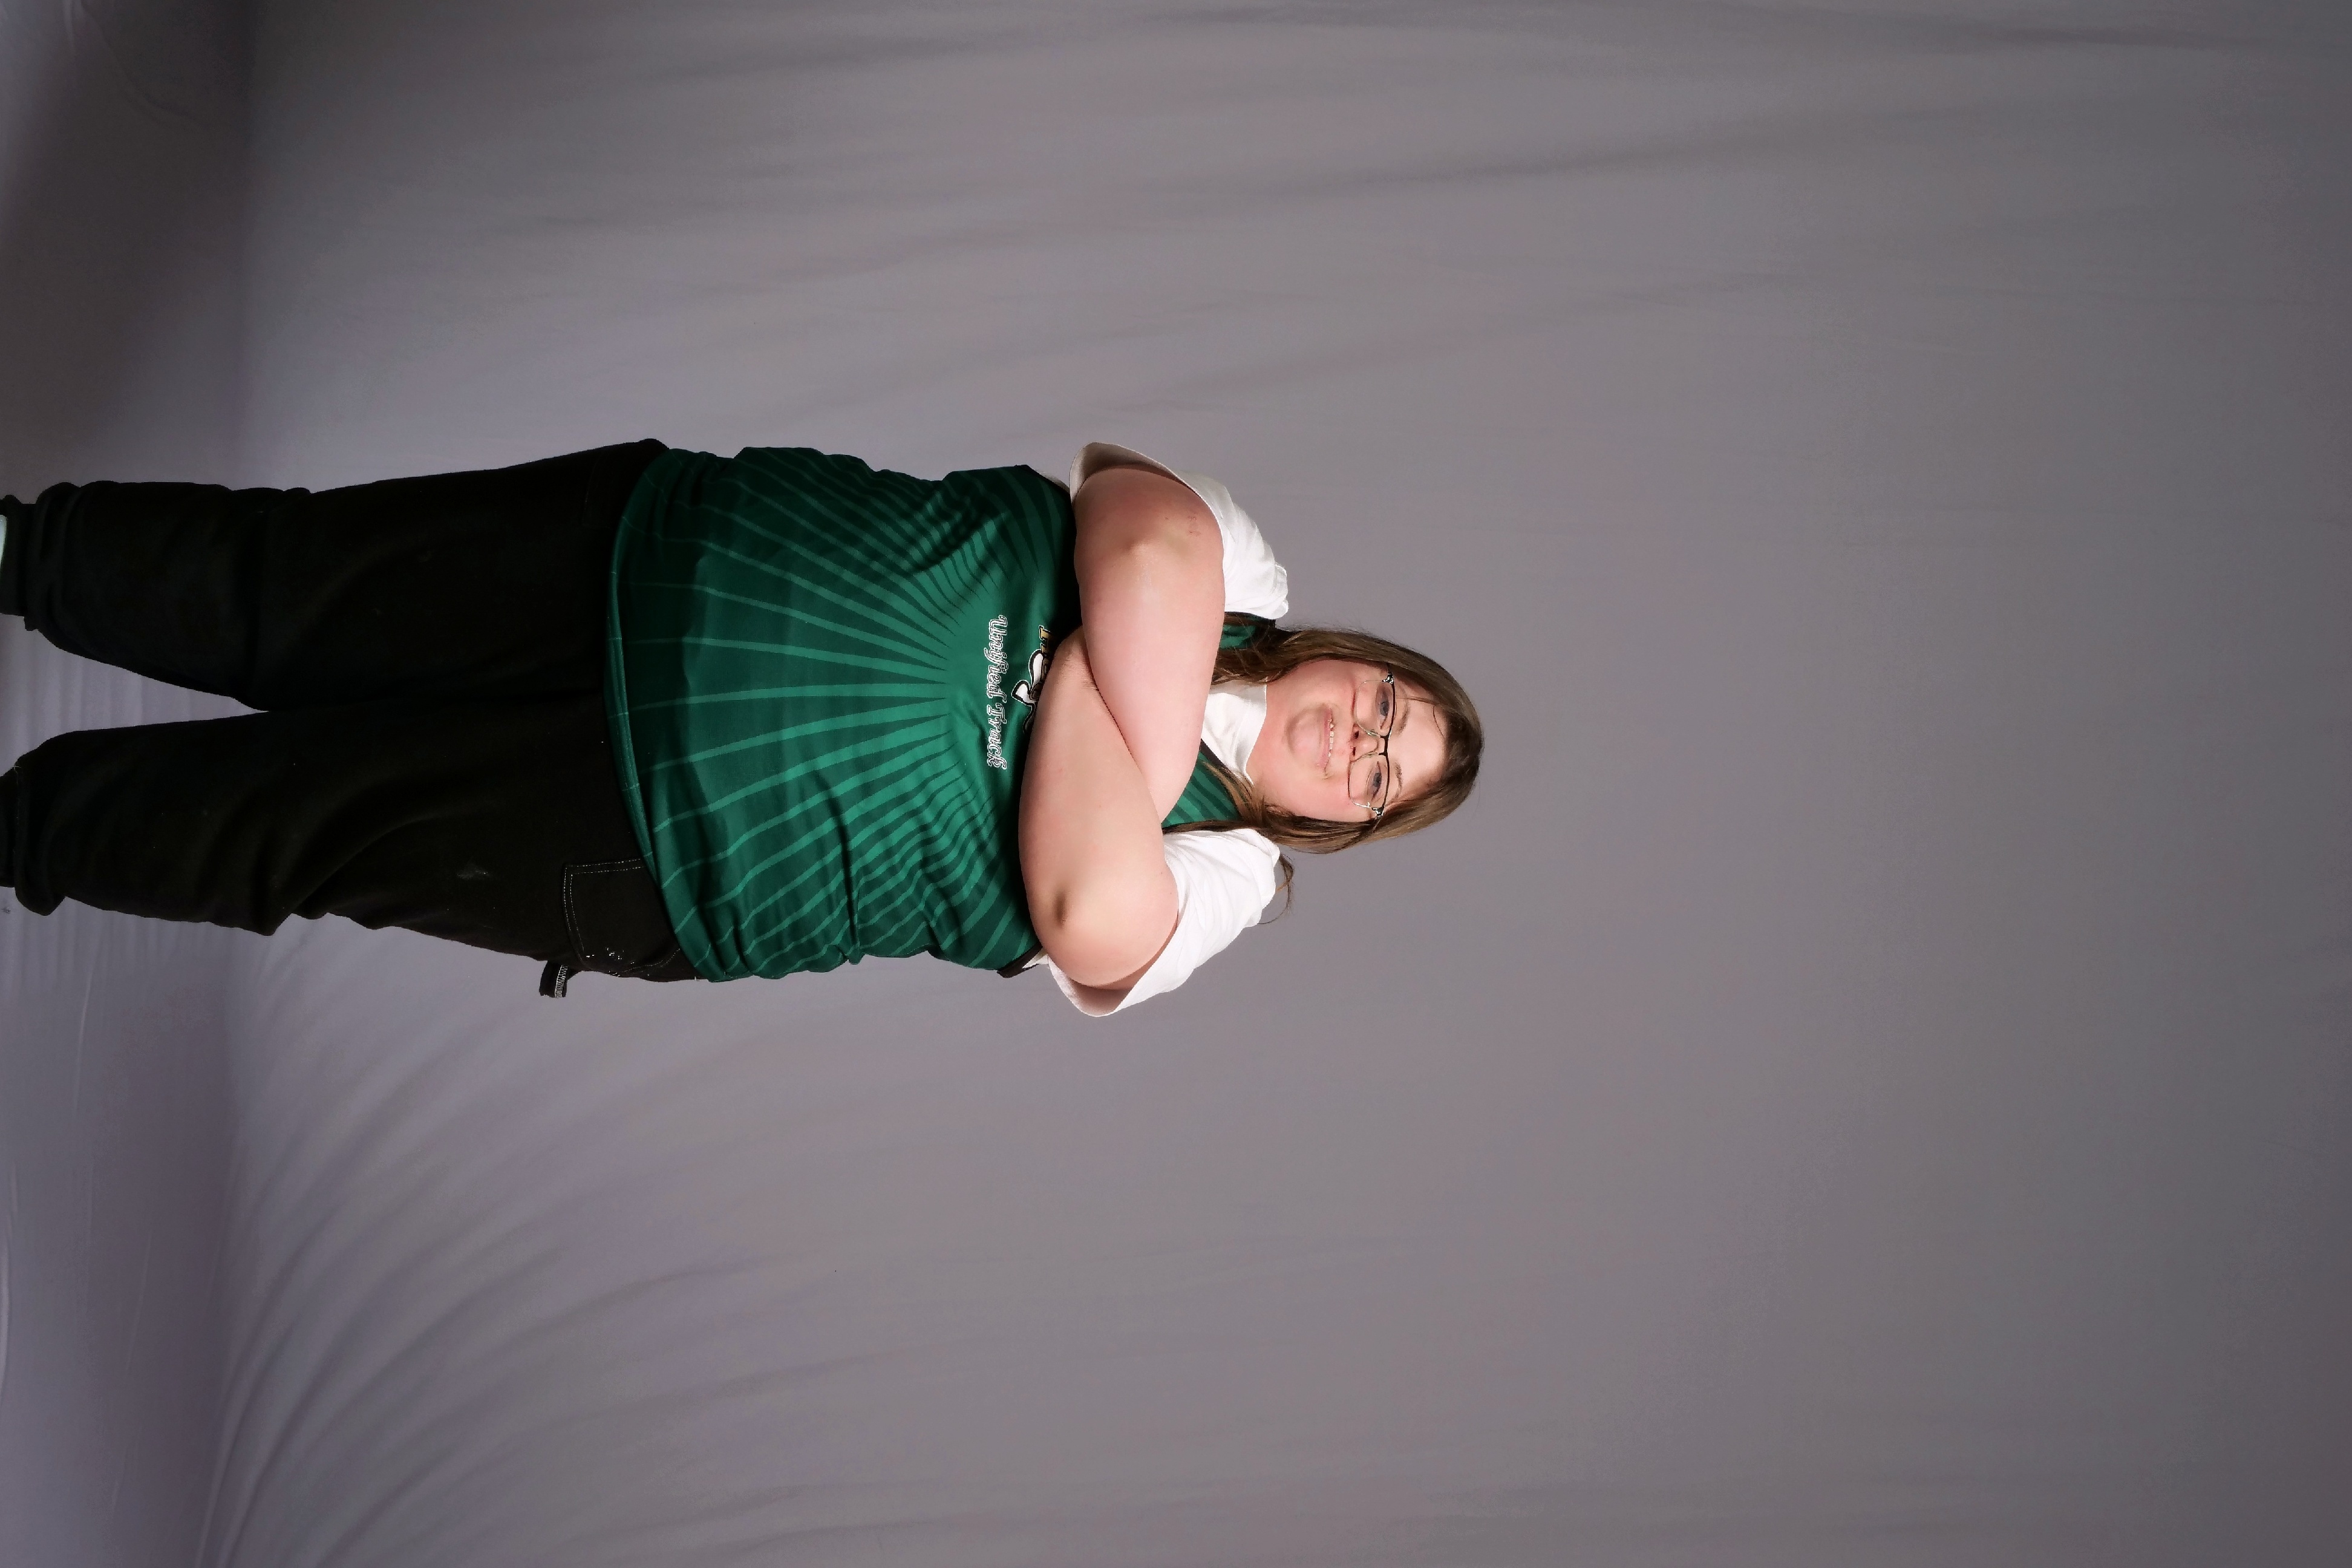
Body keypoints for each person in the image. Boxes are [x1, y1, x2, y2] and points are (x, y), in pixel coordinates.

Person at [0, 439, 1481, 1013]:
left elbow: (1092, 908)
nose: (1360, 742)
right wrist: (1095, 762)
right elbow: (1146, 538)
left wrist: (1092, 658)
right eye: (1389, 709)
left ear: (1341, 828)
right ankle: (20, 553)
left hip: (661, 844)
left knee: (282, 827)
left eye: (1379, 781)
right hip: (636, 557)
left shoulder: (1226, 882)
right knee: (288, 581)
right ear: (1366, 662)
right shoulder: (1247, 571)